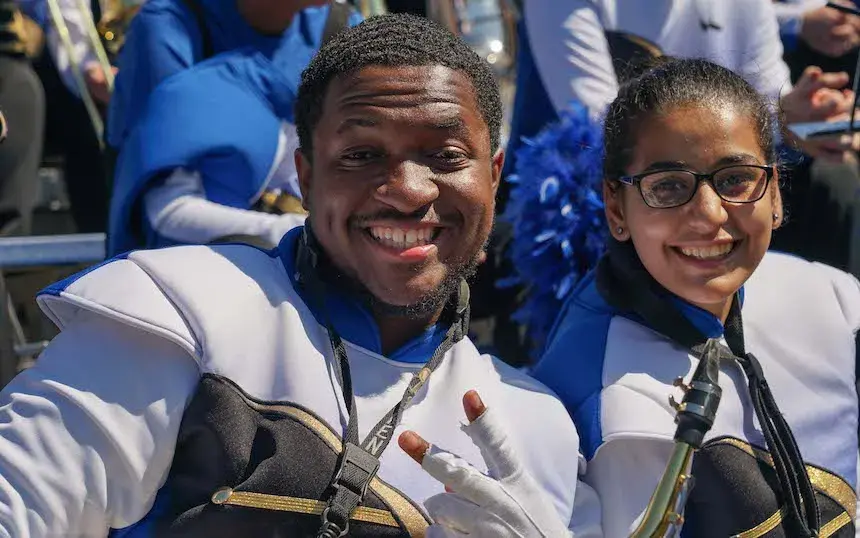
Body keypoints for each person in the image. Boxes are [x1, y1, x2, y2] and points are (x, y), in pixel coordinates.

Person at [0, 14, 600, 537]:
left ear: (494, 177)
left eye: (445, 157)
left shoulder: (536, 423)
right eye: (362, 156)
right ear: (305, 177)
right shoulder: (179, 316)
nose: (408, 191)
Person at [531, 57, 859, 536]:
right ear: (615, 206)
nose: (708, 216)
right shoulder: (596, 398)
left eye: (735, 179)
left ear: (775, 193)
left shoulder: (837, 300)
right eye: (668, 187)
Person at [106, 2, 361, 256]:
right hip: (193, 268)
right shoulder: (169, 25)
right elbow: (163, 208)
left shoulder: (341, 27)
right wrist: (296, 230)